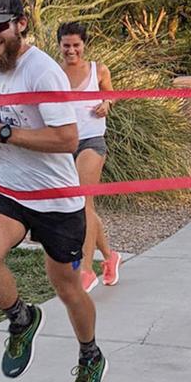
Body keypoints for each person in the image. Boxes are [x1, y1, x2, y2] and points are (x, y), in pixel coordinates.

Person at [0, 0, 106, 382]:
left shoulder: (42, 71)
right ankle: (21, 319)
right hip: (6, 182)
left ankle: (90, 355)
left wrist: (0, 131)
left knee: (67, 288)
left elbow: (66, 138)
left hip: (56, 196)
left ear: (21, 24)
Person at [57, 21, 122, 293]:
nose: (71, 51)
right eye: (66, 46)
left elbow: (111, 94)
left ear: (84, 44)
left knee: (83, 203)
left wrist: (107, 103)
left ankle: (85, 270)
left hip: (92, 142)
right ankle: (110, 257)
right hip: (63, 144)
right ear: (59, 45)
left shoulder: (99, 69)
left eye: (76, 45)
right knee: (81, 206)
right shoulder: (54, 72)